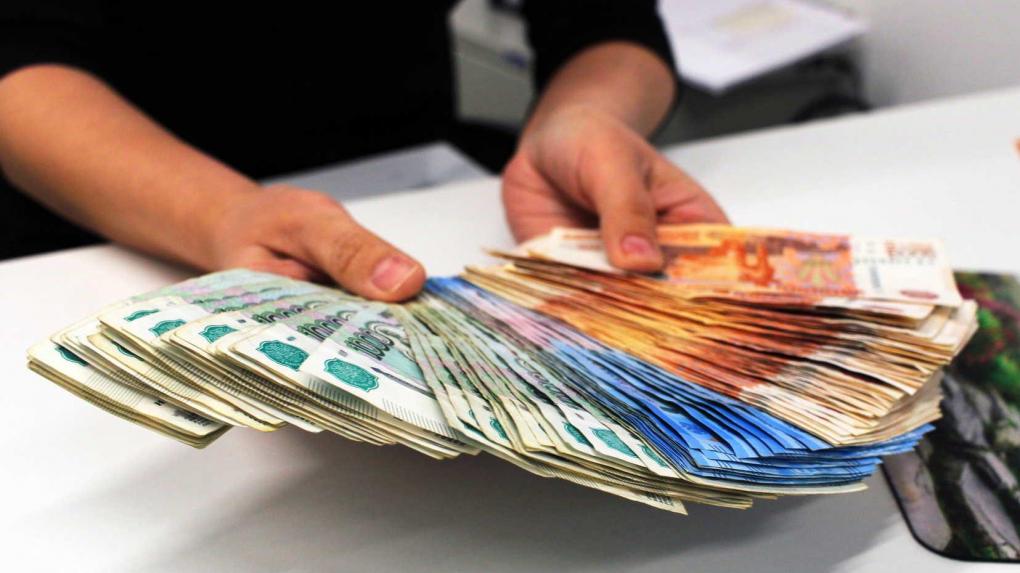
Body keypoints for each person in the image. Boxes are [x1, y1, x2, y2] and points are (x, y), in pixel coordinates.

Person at [0, 1, 726, 302]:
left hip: (420, 186)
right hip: (97, 218)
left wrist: (584, 113)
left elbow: (608, 22)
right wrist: (222, 213)